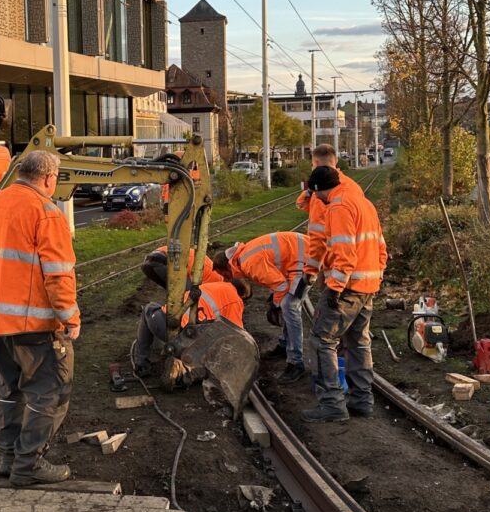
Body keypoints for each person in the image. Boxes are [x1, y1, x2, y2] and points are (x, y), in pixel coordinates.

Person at [0, 150, 78, 486]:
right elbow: (58, 274)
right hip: (35, 327)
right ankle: (28, 465)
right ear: (49, 178)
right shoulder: (47, 213)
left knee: (9, 388)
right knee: (49, 392)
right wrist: (70, 318)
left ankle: (9, 457)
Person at [302, 165, 387, 423]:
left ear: (318, 190)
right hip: (367, 286)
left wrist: (334, 289)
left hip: (347, 288)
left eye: (314, 194)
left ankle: (332, 404)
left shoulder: (338, 207)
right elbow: (381, 248)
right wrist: (376, 277)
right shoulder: (364, 203)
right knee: (358, 342)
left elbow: (345, 253)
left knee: (322, 340)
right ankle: (362, 400)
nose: (316, 200)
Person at [222, 232, 319, 384]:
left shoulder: (249, 264)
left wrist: (275, 305)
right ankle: (285, 345)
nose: (228, 279)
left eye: (225, 276)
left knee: (289, 306)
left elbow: (281, 286)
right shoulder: (244, 255)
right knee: (286, 304)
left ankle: (296, 363)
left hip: (306, 261)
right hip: (301, 257)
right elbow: (275, 279)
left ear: (228, 267)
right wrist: (275, 301)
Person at [131, 278, 252, 377]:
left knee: (149, 307)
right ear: (243, 295)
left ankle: (141, 363)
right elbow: (237, 332)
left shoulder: (216, 285)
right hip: (186, 339)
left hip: (161, 323)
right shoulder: (235, 300)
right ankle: (182, 370)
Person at [298, 144, 363, 268]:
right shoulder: (354, 186)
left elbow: (318, 236)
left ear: (316, 163)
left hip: (336, 262)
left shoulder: (321, 191)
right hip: (360, 258)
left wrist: (312, 268)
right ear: (336, 161)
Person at [140, 245, 225, 289]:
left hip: (150, 260)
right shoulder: (216, 279)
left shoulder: (210, 269)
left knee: (174, 294)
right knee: (186, 294)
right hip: (161, 261)